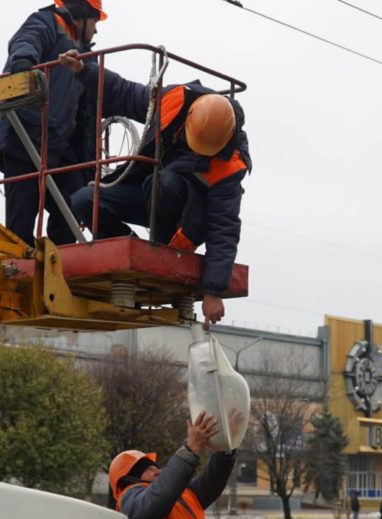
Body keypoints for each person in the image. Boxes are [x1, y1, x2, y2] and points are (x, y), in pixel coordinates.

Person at [61, 53, 252, 327]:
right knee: (84, 200)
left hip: (182, 219)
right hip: (149, 194)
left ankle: (158, 249)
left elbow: (224, 229)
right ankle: (130, 245)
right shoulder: (174, 101)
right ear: (189, 120)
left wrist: (213, 291)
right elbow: (125, 93)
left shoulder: (229, 166)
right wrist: (84, 70)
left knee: (167, 180)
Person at [0, 0, 106, 244]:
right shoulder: (47, 23)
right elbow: (26, 40)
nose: (96, 30)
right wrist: (23, 63)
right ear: (82, 14)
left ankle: (60, 260)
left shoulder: (86, 55)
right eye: (95, 21)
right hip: (27, 134)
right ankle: (20, 263)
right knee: (21, 215)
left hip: (61, 142)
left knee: (75, 202)